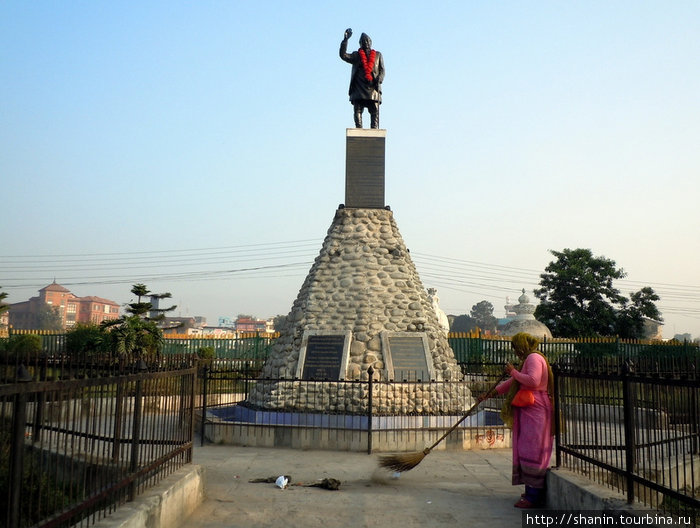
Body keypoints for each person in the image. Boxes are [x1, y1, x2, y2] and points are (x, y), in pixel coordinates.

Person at [479, 332, 554, 508]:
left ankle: (533, 495)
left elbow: (533, 381)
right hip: (530, 410)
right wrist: (490, 394)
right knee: (526, 448)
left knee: (533, 450)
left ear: (521, 346)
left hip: (536, 410)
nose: (515, 352)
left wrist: (513, 371)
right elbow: (513, 382)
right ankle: (531, 490)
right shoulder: (528, 360)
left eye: (515, 348)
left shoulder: (534, 358)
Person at [339, 28, 385, 128]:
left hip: (373, 87)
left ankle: (374, 129)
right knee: (357, 109)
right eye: (363, 41)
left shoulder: (378, 55)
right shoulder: (356, 55)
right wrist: (345, 40)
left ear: (371, 42)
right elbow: (343, 55)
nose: (366, 43)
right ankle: (358, 128)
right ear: (360, 43)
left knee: (374, 110)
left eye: (368, 41)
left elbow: (382, 70)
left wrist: (379, 79)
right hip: (359, 87)